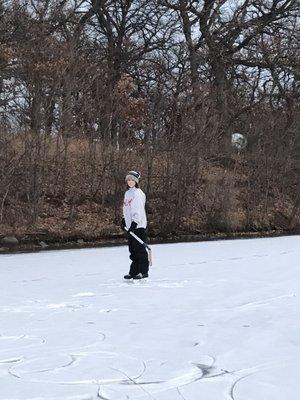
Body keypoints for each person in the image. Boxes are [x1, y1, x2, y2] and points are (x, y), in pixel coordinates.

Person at [121, 170, 149, 280]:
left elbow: (138, 210)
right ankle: (134, 271)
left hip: (138, 226)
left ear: (136, 181)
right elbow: (126, 209)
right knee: (132, 250)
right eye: (128, 180)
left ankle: (143, 271)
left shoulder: (138, 193)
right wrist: (124, 220)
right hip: (130, 227)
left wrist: (134, 222)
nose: (130, 182)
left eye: (132, 180)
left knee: (140, 250)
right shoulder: (127, 193)